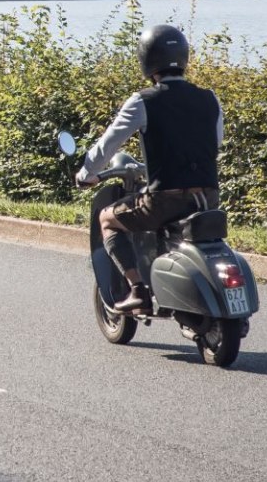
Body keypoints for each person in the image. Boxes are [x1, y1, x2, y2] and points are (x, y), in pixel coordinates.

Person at [74, 24, 223, 314]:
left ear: (146, 60)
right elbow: (213, 144)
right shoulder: (210, 98)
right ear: (183, 58)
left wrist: (86, 172)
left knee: (108, 219)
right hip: (208, 196)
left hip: (165, 201)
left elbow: (109, 144)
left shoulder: (143, 101)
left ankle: (138, 290)